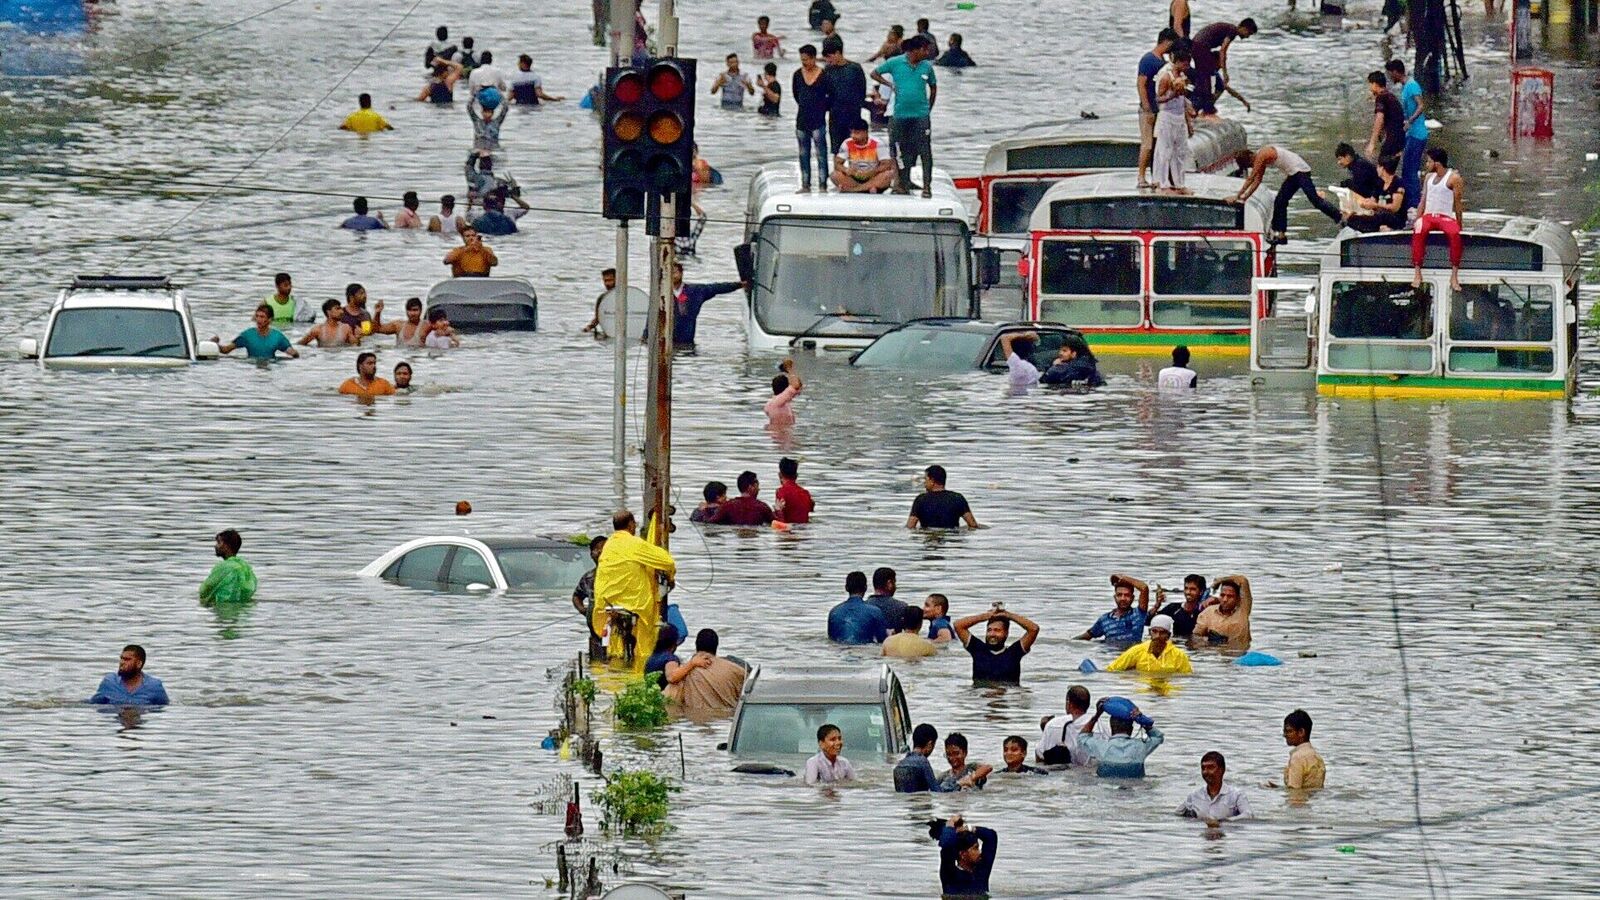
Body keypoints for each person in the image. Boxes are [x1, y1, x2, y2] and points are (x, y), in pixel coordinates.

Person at [592, 510, 676, 662]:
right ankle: (643, 657)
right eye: (634, 524)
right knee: (648, 625)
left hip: (605, 602)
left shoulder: (609, 545)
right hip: (633, 602)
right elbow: (667, 562)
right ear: (630, 525)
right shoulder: (634, 543)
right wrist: (670, 576)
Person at [1231, 146, 1343, 242]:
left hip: (1301, 171)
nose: (1252, 167)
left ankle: (1339, 217)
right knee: (1280, 201)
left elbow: (1251, 178)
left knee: (1314, 200)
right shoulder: (1261, 158)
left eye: (1250, 165)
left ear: (1250, 159)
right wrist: (1245, 197)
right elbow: (1257, 181)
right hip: (1293, 174)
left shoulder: (1262, 155)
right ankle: (1280, 234)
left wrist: (1237, 196)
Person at [872, 35, 938, 197]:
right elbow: (874, 73)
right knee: (899, 150)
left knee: (924, 150)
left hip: (921, 115)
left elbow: (933, 87)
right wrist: (889, 84)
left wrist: (928, 107)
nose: (927, 52)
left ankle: (927, 186)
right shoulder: (896, 62)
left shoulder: (926, 67)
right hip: (899, 115)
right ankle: (902, 183)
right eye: (925, 49)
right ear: (915, 50)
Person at [1411, 147, 1465, 292]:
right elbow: (1423, 200)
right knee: (1419, 229)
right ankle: (1417, 271)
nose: (1426, 164)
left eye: (1429, 161)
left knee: (1454, 234)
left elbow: (1458, 203)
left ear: (1437, 163)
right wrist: (1417, 219)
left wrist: (1459, 224)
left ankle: (1454, 274)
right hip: (1429, 216)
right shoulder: (1428, 178)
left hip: (1444, 217)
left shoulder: (1453, 178)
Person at [663, 628, 747, 714]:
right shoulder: (737, 671)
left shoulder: (683, 674)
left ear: (696, 645)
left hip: (693, 721)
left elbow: (671, 687)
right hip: (726, 721)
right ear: (716, 646)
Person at [1136, 29, 1181, 189]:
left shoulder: (1164, 63)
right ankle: (1141, 176)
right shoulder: (1148, 60)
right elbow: (1141, 84)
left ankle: (1158, 176)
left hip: (1161, 110)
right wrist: (1147, 108)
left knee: (1159, 145)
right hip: (1149, 109)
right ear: (1166, 42)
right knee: (1147, 144)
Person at [1077, 698, 1165, 778]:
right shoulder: (1141, 747)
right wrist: (1142, 721)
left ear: (1111, 727)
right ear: (1131, 729)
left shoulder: (1100, 746)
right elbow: (1158, 737)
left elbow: (1081, 737)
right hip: (1135, 790)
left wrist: (1096, 716)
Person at [955, 606, 1040, 684]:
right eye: (989, 630)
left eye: (997, 630)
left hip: (1008, 696)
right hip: (981, 697)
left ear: (1006, 633)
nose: (992, 634)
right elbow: (958, 625)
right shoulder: (978, 649)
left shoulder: (1014, 653)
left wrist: (1009, 615)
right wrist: (984, 616)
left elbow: (1033, 629)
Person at [1189, 19, 1256, 117]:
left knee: (1206, 80)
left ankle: (1204, 108)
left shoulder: (1229, 28)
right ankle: (1204, 110)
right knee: (1205, 81)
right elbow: (1223, 50)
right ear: (1244, 28)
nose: (1247, 37)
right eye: (1248, 33)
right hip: (1200, 47)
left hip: (1197, 45)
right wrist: (1225, 72)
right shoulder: (1232, 31)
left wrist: (1243, 101)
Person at [670, 262, 746, 348]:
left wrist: (738, 285)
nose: (672, 276)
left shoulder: (695, 291)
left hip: (687, 341)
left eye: (675, 272)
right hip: (666, 340)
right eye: (670, 273)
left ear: (681, 273)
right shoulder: (662, 294)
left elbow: (717, 288)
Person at [1387, 58, 1429, 210]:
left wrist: (1410, 121)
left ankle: (1415, 204)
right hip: (1410, 134)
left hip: (1417, 134)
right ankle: (1412, 203)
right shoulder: (1405, 88)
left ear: (1397, 72)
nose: (1390, 77)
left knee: (1410, 171)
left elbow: (1421, 105)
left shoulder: (1412, 85)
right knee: (1407, 169)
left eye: (1391, 74)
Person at [1153, 47, 1195, 194]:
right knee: (1165, 151)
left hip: (1179, 117)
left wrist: (1189, 118)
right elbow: (1158, 99)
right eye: (1184, 63)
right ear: (1176, 62)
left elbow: (1184, 98)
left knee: (1180, 151)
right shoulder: (1166, 76)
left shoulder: (1183, 77)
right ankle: (1163, 183)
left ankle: (1179, 183)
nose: (1186, 67)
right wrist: (1171, 95)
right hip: (1167, 116)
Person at [792, 44, 831, 193]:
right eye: (802, 60)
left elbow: (830, 95)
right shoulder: (797, 75)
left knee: (821, 154)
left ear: (814, 58)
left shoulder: (824, 75)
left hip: (818, 119)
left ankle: (822, 185)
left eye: (807, 60)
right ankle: (805, 184)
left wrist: (821, 108)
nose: (804, 63)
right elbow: (796, 94)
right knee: (803, 154)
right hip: (801, 119)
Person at [822, 36, 868, 157]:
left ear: (837, 53)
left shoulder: (855, 68)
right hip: (835, 116)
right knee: (837, 151)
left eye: (829, 56)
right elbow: (825, 92)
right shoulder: (828, 70)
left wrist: (858, 105)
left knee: (855, 149)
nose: (828, 60)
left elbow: (862, 90)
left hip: (853, 115)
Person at [1178, 751, 1253, 825]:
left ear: (1222, 770)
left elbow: (1248, 815)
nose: (1206, 772)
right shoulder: (1194, 796)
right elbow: (1177, 814)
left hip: (1227, 834)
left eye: (1210, 767)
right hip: (1202, 835)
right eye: (1203, 768)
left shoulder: (1236, 795)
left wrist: (1223, 821)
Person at [1077, 574, 1152, 644]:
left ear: (1132, 598)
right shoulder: (1104, 619)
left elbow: (1144, 588)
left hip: (1130, 655)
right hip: (1110, 654)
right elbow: (1086, 637)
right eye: (1119, 595)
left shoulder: (1138, 614)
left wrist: (1122, 577)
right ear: (1115, 597)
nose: (1123, 598)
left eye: (1127, 595)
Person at [1107, 614, 1193, 675]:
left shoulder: (1178, 656)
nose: (1158, 636)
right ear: (1149, 632)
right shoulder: (1137, 651)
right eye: (1154, 631)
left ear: (1169, 635)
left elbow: (1187, 677)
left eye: (1162, 633)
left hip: (1167, 693)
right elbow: (1112, 670)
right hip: (1144, 691)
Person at [895, 724, 969, 792]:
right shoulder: (922, 762)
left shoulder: (900, 764)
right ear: (930, 744)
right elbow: (937, 792)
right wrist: (959, 784)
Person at [88, 645, 170, 706]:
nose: (122, 662)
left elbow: (164, 708)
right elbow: (93, 703)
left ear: (139, 664)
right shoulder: (109, 682)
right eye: (121, 658)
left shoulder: (154, 686)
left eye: (127, 659)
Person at [937, 816, 998, 897]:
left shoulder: (982, 871)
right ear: (962, 854)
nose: (979, 852)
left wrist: (969, 828)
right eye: (975, 848)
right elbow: (947, 845)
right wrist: (950, 823)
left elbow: (991, 837)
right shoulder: (950, 874)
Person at [830, 119, 895, 194]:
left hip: (873, 176)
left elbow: (887, 164)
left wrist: (872, 172)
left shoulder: (878, 143)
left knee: (888, 175)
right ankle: (867, 188)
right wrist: (846, 170)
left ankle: (854, 190)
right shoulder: (847, 143)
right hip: (854, 177)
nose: (853, 136)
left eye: (857, 133)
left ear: (865, 132)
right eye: (852, 133)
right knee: (834, 175)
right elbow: (837, 163)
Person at [906, 465, 979, 529]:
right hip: (951, 541)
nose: (924, 483)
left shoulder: (920, 500)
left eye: (926, 479)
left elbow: (910, 526)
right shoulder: (957, 498)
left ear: (932, 480)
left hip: (929, 536)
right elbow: (973, 525)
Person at [1037, 685, 1095, 765]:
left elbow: (1040, 754)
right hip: (1088, 774)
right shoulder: (1101, 727)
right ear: (1088, 704)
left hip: (1057, 774)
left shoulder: (1053, 724)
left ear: (1069, 703)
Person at [1346, 156, 1407, 233]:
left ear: (1383, 168)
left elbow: (1395, 208)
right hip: (1378, 214)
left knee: (1382, 216)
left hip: (1394, 217)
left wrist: (1376, 205)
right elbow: (1372, 200)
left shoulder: (1398, 183)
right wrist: (1360, 208)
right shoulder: (1380, 183)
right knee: (1353, 218)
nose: (1376, 169)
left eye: (1378, 167)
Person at [572, 535, 609, 659]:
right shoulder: (589, 578)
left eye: (604, 549)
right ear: (591, 554)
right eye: (596, 549)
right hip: (595, 637)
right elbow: (577, 596)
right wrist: (583, 610)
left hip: (616, 634)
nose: (600, 552)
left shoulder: (618, 576)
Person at [828, 570, 890, 644]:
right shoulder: (875, 612)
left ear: (846, 588)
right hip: (864, 651)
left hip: (839, 652)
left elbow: (831, 640)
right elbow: (882, 640)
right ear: (865, 588)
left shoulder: (834, 612)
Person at [216, 305, 298, 360]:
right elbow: (225, 350)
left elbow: (294, 355)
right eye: (257, 316)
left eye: (262, 317)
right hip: (252, 370)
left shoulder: (277, 337)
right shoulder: (247, 335)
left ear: (270, 320)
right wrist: (214, 344)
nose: (258, 319)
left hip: (270, 369)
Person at [1192, 575, 1253, 648]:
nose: (1225, 599)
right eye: (1222, 595)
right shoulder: (1208, 612)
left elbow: (1243, 580)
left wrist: (1219, 581)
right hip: (1215, 655)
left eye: (1230, 596)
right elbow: (1195, 637)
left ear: (1238, 599)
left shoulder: (1243, 610)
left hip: (1239, 654)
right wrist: (1209, 640)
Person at [199, 528, 257, 605]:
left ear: (226, 546)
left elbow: (205, 589)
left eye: (219, 542)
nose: (215, 546)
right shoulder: (245, 567)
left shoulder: (224, 567)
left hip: (223, 608)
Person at [1278, 708, 1327, 790]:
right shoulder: (1316, 756)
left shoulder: (1297, 757)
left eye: (1289, 731)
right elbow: (1309, 788)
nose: (1285, 735)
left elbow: (1295, 792)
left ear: (1301, 732)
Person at [1365, 70, 1406, 163]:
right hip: (1400, 138)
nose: (1369, 88)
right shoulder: (1390, 96)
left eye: (1370, 84)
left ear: (1375, 84)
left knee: (1382, 169)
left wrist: (1372, 143)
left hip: (1392, 138)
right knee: (1389, 167)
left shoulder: (1381, 97)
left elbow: (1379, 119)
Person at [709, 470, 775, 526]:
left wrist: (704, 510)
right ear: (751, 487)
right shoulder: (762, 507)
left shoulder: (727, 505)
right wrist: (778, 510)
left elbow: (709, 522)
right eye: (757, 486)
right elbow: (777, 523)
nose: (759, 489)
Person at [1040, 334, 1106, 387]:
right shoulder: (1091, 368)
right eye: (1060, 350)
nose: (1060, 353)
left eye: (1064, 351)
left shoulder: (1062, 370)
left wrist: (1054, 366)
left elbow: (1047, 378)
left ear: (1073, 354)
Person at [774, 456, 814, 524]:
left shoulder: (781, 492)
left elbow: (780, 518)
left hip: (788, 530)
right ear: (796, 475)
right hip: (804, 530)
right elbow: (810, 508)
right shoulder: (806, 493)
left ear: (780, 475)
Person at [583, 268, 617, 335]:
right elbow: (598, 319)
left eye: (610, 280)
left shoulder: (630, 295)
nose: (607, 284)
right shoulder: (602, 299)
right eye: (605, 281)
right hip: (609, 332)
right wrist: (589, 327)